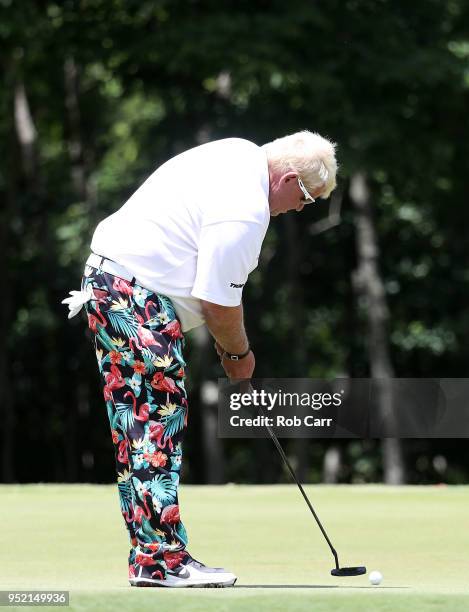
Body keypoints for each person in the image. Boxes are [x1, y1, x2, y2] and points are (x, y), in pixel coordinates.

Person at [62, 130, 338, 588]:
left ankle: (154, 557)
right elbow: (219, 302)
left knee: (139, 428)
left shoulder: (235, 152)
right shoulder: (247, 209)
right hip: (134, 297)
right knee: (155, 422)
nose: (299, 209)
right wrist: (238, 356)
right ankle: (161, 562)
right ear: (288, 178)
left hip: (114, 286)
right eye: (307, 198)